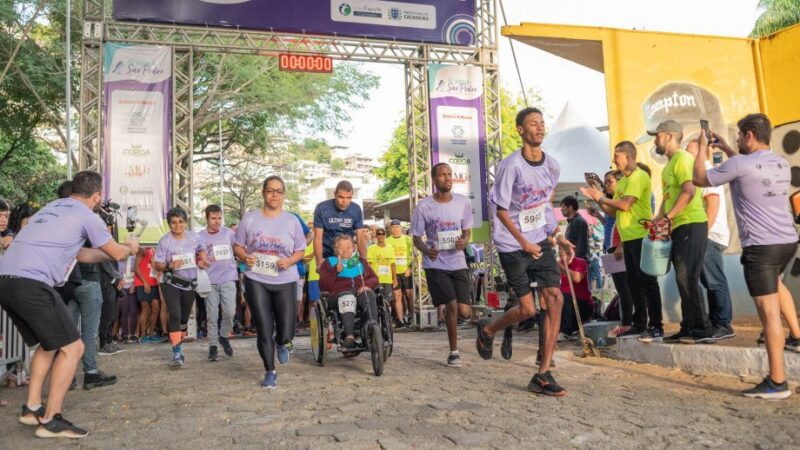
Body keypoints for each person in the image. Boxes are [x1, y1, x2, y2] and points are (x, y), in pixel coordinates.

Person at [0, 170, 138, 438]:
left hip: (6, 280)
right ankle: (51, 421)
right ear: (96, 196)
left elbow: (81, 254)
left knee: (49, 344)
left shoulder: (53, 209)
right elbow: (119, 252)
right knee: (73, 349)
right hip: (32, 283)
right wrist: (130, 247)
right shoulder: (88, 215)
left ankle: (32, 409)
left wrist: (109, 255)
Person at [693, 113, 800, 399]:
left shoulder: (739, 164)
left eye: (740, 136)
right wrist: (728, 147)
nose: (738, 140)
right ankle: (798, 337)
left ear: (749, 135)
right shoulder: (780, 162)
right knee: (777, 285)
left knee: (768, 315)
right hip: (787, 242)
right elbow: (747, 166)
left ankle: (777, 381)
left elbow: (699, 178)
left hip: (761, 249)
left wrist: (703, 146)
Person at [475, 107, 575, 396]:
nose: (540, 128)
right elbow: (502, 210)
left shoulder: (552, 165)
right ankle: (489, 330)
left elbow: (544, 205)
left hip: (540, 239)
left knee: (555, 298)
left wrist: (557, 234)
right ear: (520, 130)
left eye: (542, 123)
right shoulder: (511, 166)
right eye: (533, 124)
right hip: (511, 243)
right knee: (528, 309)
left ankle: (543, 372)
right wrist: (522, 243)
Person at [581, 141, 662, 340]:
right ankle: (639, 323)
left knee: (647, 283)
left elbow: (625, 205)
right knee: (633, 283)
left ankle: (656, 324)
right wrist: (598, 199)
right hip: (627, 238)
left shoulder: (638, 177)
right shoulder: (624, 181)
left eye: (616, 157)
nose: (614, 161)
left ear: (628, 156)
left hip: (641, 236)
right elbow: (613, 211)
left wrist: (601, 196)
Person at [233, 176, 306, 389]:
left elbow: (301, 250)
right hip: (257, 278)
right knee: (264, 327)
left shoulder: (292, 220)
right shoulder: (250, 218)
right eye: (270, 190)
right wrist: (244, 257)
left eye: (279, 191)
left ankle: (282, 342)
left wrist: (290, 260)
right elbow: (238, 246)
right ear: (263, 192)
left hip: (285, 278)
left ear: (284, 195)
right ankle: (270, 371)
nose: (274, 195)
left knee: (286, 330)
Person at [649, 120, 712, 344]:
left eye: (656, 135)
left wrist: (668, 218)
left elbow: (689, 190)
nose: (654, 140)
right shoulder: (668, 167)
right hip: (679, 226)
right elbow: (668, 200)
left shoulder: (684, 159)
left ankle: (702, 330)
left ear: (667, 136)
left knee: (688, 277)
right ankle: (687, 328)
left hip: (692, 223)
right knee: (682, 277)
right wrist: (657, 221)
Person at [410, 162, 473, 367]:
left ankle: (478, 326)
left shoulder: (463, 202)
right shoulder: (424, 206)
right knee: (452, 306)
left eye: (450, 174)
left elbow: (466, 230)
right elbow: (417, 238)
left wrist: (465, 241)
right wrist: (426, 249)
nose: (448, 178)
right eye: (443, 175)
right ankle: (454, 352)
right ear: (435, 180)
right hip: (435, 264)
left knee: (464, 311)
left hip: (458, 261)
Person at [686, 140, 735, 341]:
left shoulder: (705, 170)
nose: (686, 155)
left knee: (714, 280)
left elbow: (712, 205)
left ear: (701, 153)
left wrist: (702, 235)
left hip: (710, 236)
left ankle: (723, 323)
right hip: (705, 235)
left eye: (689, 151)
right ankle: (717, 322)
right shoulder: (699, 172)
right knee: (708, 280)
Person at [153, 207, 208, 368]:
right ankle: (177, 352)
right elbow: (157, 264)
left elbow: (202, 248)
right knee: (175, 315)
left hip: (189, 282)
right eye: (174, 223)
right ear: (169, 224)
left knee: (184, 317)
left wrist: (203, 257)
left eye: (181, 222)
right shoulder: (165, 241)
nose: (177, 225)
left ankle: (179, 340)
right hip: (170, 281)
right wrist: (170, 265)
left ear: (186, 222)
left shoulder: (194, 237)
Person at [318, 235, 380, 348]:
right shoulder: (329, 262)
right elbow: (323, 285)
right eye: (341, 247)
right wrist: (335, 271)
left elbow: (374, 278)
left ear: (353, 248)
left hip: (359, 292)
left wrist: (366, 285)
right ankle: (349, 336)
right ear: (335, 249)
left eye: (348, 247)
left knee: (368, 293)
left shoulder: (360, 261)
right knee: (347, 296)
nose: (345, 250)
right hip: (337, 296)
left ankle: (371, 327)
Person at [198, 205, 237, 361]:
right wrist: (200, 261)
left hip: (228, 278)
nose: (217, 221)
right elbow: (196, 255)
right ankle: (213, 346)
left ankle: (223, 336)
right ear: (206, 218)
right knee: (212, 315)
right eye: (213, 218)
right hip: (210, 281)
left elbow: (239, 248)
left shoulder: (229, 233)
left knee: (230, 312)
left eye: (219, 218)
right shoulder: (200, 236)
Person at [313, 180, 367, 267]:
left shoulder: (356, 209)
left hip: (349, 258)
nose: (344, 201)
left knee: (351, 279)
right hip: (328, 256)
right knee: (329, 280)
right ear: (335, 194)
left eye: (348, 198)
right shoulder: (321, 208)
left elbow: (360, 238)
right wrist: (319, 263)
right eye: (341, 197)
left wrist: (364, 261)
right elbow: (318, 238)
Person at [387, 219, 414, 327]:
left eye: (397, 227)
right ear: (390, 229)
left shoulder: (408, 239)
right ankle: (400, 319)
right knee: (397, 296)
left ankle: (412, 317)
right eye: (393, 227)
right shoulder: (387, 241)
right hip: (394, 272)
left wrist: (410, 268)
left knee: (409, 295)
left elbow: (414, 255)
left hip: (406, 270)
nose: (396, 229)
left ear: (401, 228)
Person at [558, 256, 594, 338]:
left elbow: (577, 278)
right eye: (559, 249)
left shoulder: (580, 262)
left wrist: (560, 267)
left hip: (582, 305)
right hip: (567, 306)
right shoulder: (560, 262)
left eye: (563, 249)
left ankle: (566, 332)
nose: (561, 252)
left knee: (564, 296)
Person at [133, 247, 161, 343]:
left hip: (153, 283)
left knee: (156, 309)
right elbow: (136, 267)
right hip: (142, 284)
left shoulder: (156, 251)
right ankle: (143, 336)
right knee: (146, 309)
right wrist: (144, 282)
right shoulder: (143, 250)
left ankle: (151, 334)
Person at [367, 227, 395, 309]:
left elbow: (393, 264)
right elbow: (369, 264)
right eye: (379, 234)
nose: (381, 236)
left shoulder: (390, 247)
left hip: (388, 279)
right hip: (376, 279)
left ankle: (388, 318)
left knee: (388, 300)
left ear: (385, 236)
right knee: (377, 300)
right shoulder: (371, 248)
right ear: (376, 236)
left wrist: (395, 279)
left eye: (383, 234)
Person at [560, 196, 589, 261]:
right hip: (573, 260)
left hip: (578, 263)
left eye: (563, 207)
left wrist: (576, 260)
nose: (561, 209)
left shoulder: (579, 221)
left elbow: (582, 246)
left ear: (570, 208)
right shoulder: (572, 221)